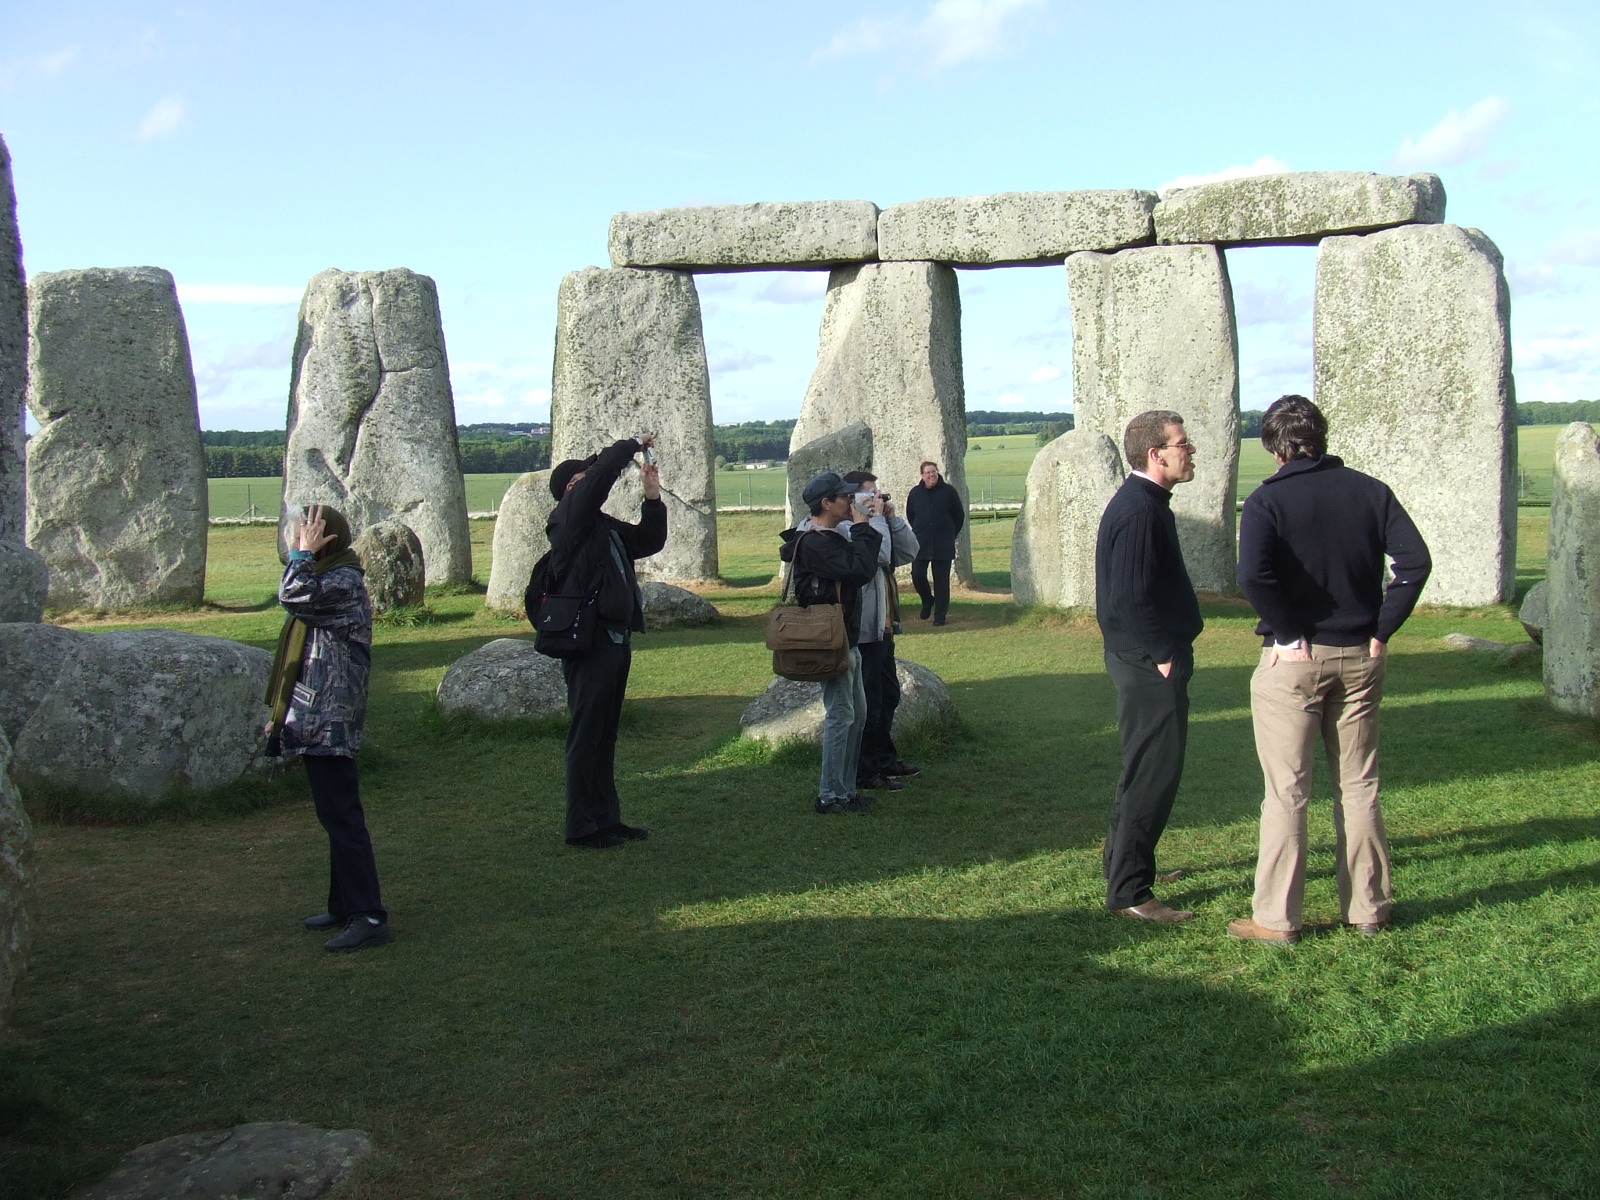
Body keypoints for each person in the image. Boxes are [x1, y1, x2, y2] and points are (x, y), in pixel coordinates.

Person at [1228, 395, 1431, 945]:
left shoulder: (1268, 502)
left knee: (1287, 791)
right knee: (1359, 784)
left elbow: (1254, 577)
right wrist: (1381, 629)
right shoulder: (1370, 492)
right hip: (1359, 655)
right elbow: (1414, 565)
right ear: (1322, 436)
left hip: (1293, 660)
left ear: (1273, 446)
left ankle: (1277, 919)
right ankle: (1369, 908)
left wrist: (1288, 631)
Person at [265, 503, 390, 953]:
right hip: (319, 717)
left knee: (344, 819)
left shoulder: (342, 582)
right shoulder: (331, 579)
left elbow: (293, 596)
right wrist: (281, 718)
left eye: (306, 532)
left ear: (327, 538)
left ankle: (369, 915)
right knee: (334, 817)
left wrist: (303, 556)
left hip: (332, 721)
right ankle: (343, 904)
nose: (297, 540)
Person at [1094, 410, 1203, 924]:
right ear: (1155, 454)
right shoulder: (1140, 509)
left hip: (1140, 657)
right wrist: (1163, 655)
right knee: (1154, 774)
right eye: (1182, 444)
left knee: (1143, 768)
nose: (1191, 450)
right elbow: (1130, 596)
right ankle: (1132, 892)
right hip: (1146, 661)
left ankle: (1124, 865)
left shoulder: (1146, 502)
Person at [545, 436, 667, 848]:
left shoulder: (600, 525)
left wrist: (652, 498)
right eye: (584, 476)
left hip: (614, 640)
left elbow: (649, 541)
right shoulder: (568, 520)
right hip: (589, 643)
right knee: (587, 734)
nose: (592, 478)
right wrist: (629, 445)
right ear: (571, 488)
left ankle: (606, 818)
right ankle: (581, 826)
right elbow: (595, 480)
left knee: (605, 733)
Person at [779, 471, 883, 814]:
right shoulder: (815, 542)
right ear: (827, 504)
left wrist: (864, 524)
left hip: (844, 635)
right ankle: (829, 795)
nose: (850, 501)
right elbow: (860, 570)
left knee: (857, 712)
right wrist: (864, 526)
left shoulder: (825, 536)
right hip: (830, 639)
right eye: (844, 497)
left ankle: (845, 789)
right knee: (841, 715)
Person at [840, 470, 921, 792]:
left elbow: (908, 552)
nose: (877, 500)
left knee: (888, 696)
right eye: (869, 495)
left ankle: (884, 760)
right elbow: (882, 555)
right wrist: (874, 520)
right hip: (863, 630)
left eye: (878, 494)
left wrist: (893, 518)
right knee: (869, 703)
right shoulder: (848, 529)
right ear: (852, 498)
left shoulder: (874, 525)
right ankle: (866, 771)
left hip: (882, 627)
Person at [906, 460, 964, 626]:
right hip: (921, 542)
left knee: (941, 581)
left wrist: (950, 533)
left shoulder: (949, 492)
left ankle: (940, 617)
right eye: (928, 473)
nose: (932, 475)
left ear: (938, 472)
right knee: (917, 574)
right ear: (922, 476)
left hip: (942, 542)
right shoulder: (915, 493)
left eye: (934, 471)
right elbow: (911, 515)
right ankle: (927, 600)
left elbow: (958, 516)